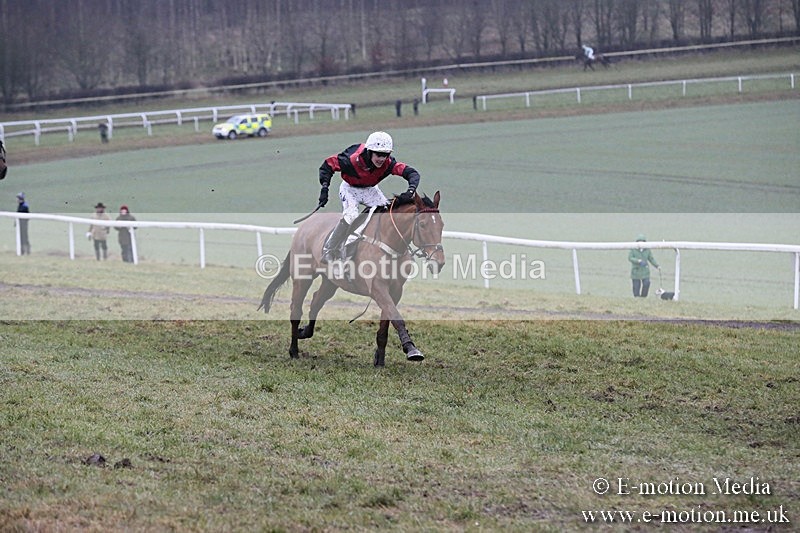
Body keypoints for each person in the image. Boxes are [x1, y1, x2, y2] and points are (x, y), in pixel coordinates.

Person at [317, 131, 420, 263]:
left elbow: (412, 173)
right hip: (349, 189)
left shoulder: (389, 164)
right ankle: (329, 249)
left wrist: (410, 191)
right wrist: (324, 188)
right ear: (369, 152)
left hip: (370, 190)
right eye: (379, 154)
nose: (382, 159)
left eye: (386, 155)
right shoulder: (350, 159)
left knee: (386, 214)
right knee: (351, 216)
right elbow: (327, 166)